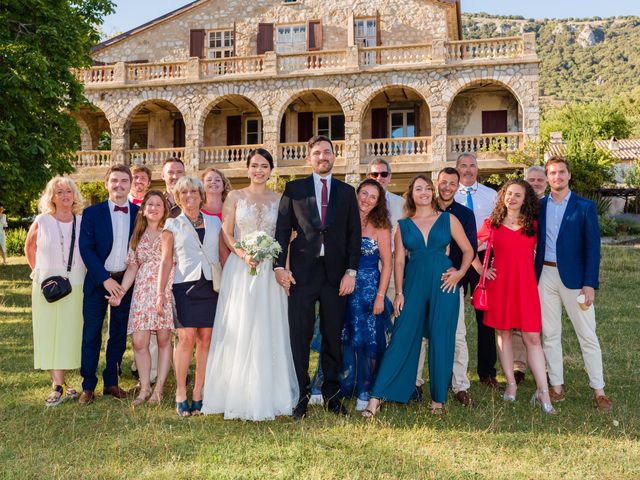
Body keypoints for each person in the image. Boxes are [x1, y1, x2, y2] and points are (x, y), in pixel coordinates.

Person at [363, 175, 473, 417]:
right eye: (418, 189)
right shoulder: (403, 226)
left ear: (432, 192)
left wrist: (460, 273)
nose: (424, 192)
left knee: (441, 337)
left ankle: (438, 401)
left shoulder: (448, 219)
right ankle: (376, 397)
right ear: (411, 194)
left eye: (428, 188)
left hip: (444, 285)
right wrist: (399, 292)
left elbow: (468, 250)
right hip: (413, 285)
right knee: (402, 335)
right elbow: (399, 262)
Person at [202, 149, 298, 420]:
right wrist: (243, 254)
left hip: (268, 270)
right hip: (240, 268)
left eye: (264, 166)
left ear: (270, 170)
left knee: (267, 326)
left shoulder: (280, 199)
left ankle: (270, 393)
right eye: (255, 165)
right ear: (247, 168)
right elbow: (227, 233)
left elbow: (281, 235)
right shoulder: (234, 197)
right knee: (239, 326)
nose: (259, 170)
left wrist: (282, 259)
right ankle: (235, 393)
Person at [274, 135, 361, 420]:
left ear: (335, 156)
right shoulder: (294, 189)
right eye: (317, 153)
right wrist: (279, 267)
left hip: (336, 276)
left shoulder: (347, 193)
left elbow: (353, 236)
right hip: (301, 275)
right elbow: (282, 231)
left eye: (327, 152)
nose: (322, 157)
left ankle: (332, 396)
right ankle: (299, 395)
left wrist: (351, 272)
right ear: (309, 158)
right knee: (299, 336)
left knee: (332, 337)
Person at [535, 157, 612, 412]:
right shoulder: (540, 206)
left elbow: (593, 248)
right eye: (552, 173)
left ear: (569, 176)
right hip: (545, 276)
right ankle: (556, 387)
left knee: (587, 335)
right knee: (551, 334)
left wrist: (589, 283)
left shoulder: (584, 206)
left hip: (576, 281)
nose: (557, 177)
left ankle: (599, 390)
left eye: (561, 173)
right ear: (547, 178)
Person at [475, 179, 556, 414]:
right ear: (503, 197)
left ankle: (543, 391)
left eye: (517, 195)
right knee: (503, 333)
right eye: (508, 194)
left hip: (526, 286)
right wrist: (482, 269)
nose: (512, 198)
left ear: (525, 199)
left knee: (532, 337)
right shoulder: (492, 224)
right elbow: (469, 245)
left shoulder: (533, 225)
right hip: (499, 285)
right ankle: (510, 384)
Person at [157, 176, 222, 417]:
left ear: (200, 194)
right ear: (177, 197)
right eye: (183, 193)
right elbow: (165, 261)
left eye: (194, 191)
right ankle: (181, 392)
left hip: (211, 287)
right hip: (184, 287)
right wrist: (159, 293)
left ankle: (199, 392)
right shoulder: (171, 225)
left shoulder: (215, 223)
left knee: (206, 339)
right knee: (185, 338)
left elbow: (224, 253)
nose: (189, 196)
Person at [107, 190, 174, 406]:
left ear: (164, 210)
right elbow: (133, 266)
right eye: (150, 205)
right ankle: (144, 388)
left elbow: (165, 262)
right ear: (143, 210)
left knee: (164, 339)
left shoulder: (168, 232)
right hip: (142, 292)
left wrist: (160, 294)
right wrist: (121, 292)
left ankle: (159, 389)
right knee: (139, 341)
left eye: (158, 205)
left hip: (162, 288)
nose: (154, 208)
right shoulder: (138, 234)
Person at [78, 165, 139, 405]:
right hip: (97, 281)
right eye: (114, 180)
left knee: (118, 335)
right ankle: (88, 386)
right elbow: (86, 249)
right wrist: (105, 279)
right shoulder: (91, 213)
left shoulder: (138, 212)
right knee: (91, 334)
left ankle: (111, 382)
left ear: (130, 185)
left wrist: (121, 285)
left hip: (125, 282)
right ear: (107, 184)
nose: (119, 185)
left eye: (124, 181)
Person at [24, 177, 85, 406]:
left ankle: (66, 382)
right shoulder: (42, 220)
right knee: (49, 332)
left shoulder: (81, 220)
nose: (65, 195)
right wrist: (41, 274)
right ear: (52, 196)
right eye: (59, 192)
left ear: (74, 195)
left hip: (76, 283)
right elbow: (29, 248)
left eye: (68, 191)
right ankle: (57, 385)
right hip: (47, 285)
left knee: (70, 332)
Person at [421, 167, 478, 406]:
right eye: (443, 182)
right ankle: (416, 383)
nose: (447, 187)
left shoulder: (464, 215)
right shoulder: (424, 208)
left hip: (451, 283)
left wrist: (460, 273)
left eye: (452, 184)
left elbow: (470, 249)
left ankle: (460, 385)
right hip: (423, 281)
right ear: (437, 183)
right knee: (422, 335)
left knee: (457, 335)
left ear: (458, 186)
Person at [340, 179, 392, 411]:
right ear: (357, 193)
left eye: (373, 196)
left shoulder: (381, 225)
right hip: (344, 288)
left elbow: (388, 264)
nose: (367, 199)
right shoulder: (344, 220)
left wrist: (380, 296)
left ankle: (366, 389)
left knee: (369, 339)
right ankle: (344, 383)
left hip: (370, 290)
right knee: (344, 335)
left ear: (379, 202)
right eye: (364, 193)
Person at [454, 153, 501, 389]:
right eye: (463, 165)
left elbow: (498, 227)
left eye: (472, 165)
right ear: (456, 168)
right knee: (454, 314)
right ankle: (454, 369)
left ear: (477, 169)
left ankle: (487, 372)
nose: (468, 170)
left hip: (484, 257)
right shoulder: (449, 194)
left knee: (486, 317)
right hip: (456, 258)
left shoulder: (491, 195)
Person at [512, 165, 548, 384]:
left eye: (539, 180)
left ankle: (542, 366)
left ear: (546, 182)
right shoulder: (519, 205)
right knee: (517, 319)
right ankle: (518, 366)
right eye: (531, 180)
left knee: (540, 318)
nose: (535, 183)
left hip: (543, 268)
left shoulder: (548, 205)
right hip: (520, 269)